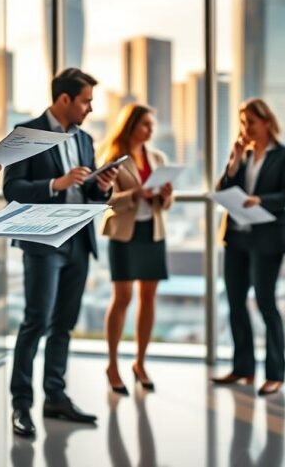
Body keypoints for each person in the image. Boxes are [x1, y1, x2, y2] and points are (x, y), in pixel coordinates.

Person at [4, 67, 119, 439]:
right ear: (65, 99)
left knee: (64, 324)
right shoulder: (28, 134)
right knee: (36, 321)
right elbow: (13, 189)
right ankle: (21, 404)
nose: (90, 108)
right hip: (43, 242)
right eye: (86, 101)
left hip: (78, 241)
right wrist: (57, 183)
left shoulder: (85, 139)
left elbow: (89, 194)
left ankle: (55, 396)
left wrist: (101, 187)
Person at [210, 98, 285, 395]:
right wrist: (233, 162)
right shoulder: (242, 155)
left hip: (267, 239)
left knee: (265, 302)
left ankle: (275, 372)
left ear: (267, 122)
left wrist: (262, 201)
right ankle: (243, 367)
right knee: (235, 302)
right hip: (237, 236)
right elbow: (223, 189)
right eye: (243, 122)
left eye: (251, 122)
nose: (246, 128)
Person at [98, 103, 173, 395]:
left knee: (149, 297)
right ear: (131, 126)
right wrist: (136, 194)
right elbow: (105, 199)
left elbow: (167, 204)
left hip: (152, 233)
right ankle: (113, 364)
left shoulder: (157, 157)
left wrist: (165, 196)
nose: (150, 130)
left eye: (152, 125)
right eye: (145, 124)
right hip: (124, 234)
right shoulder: (114, 158)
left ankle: (139, 363)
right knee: (123, 297)